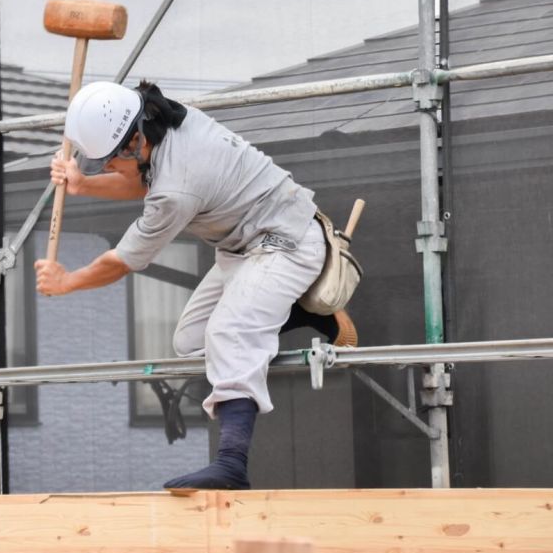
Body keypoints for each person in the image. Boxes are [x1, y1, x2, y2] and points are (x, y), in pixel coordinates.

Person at [34, 80, 357, 491]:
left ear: (135, 140)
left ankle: (232, 464)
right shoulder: (164, 121)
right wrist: (83, 184)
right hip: (243, 246)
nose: (109, 168)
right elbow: (143, 177)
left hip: (285, 241)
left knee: (230, 333)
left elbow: (122, 261)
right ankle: (304, 311)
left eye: (111, 161)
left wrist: (67, 282)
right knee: (191, 343)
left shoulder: (176, 189)